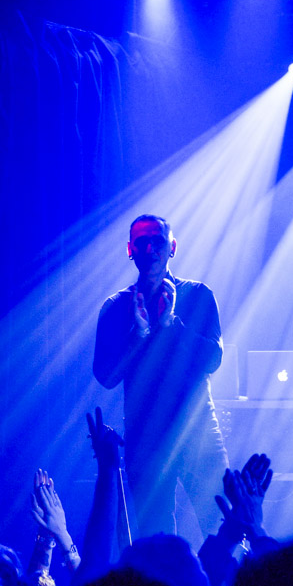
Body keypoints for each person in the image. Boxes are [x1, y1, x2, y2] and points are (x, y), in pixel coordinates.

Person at [93, 214, 228, 538]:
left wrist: (170, 325)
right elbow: (106, 376)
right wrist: (138, 335)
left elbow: (213, 358)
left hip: (197, 432)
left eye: (158, 240)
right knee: (155, 541)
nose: (150, 247)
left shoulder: (198, 295)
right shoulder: (116, 307)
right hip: (146, 439)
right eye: (141, 241)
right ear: (130, 249)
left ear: (172, 247)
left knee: (225, 525)